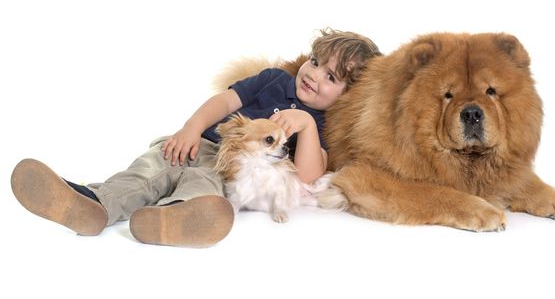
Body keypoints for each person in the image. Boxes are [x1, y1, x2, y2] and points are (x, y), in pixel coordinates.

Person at [10, 28, 381, 247]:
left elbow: (310, 176)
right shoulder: (274, 79)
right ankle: (96, 204)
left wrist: (307, 126)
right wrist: (189, 128)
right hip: (199, 142)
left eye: (331, 77)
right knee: (152, 167)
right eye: (315, 62)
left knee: (205, 181)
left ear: (349, 95)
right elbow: (225, 100)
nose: (314, 75)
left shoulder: (321, 123)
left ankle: (177, 217)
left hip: (231, 167)